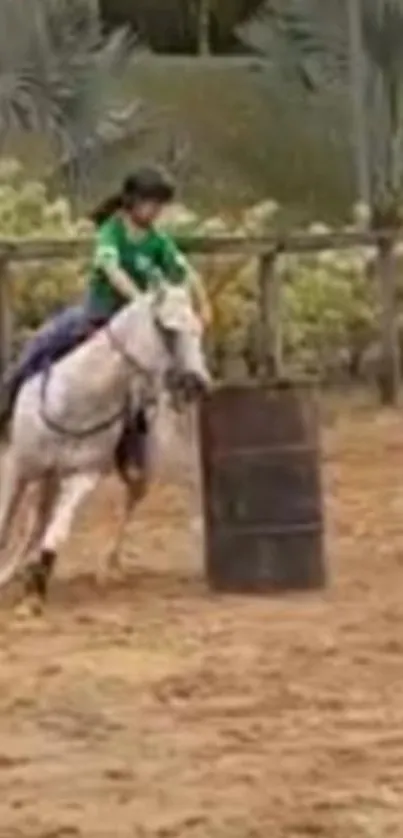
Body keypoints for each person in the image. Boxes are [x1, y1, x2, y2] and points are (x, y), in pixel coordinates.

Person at [0, 165, 211, 430]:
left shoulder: (158, 240)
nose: (156, 210)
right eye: (152, 203)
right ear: (133, 201)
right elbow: (112, 270)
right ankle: (7, 402)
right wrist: (141, 301)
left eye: (160, 204)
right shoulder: (111, 232)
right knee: (42, 344)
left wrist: (203, 304)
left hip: (135, 325)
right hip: (101, 314)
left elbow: (185, 270)